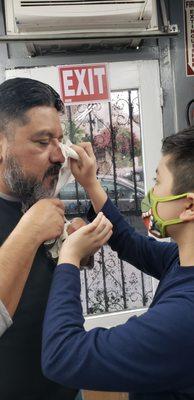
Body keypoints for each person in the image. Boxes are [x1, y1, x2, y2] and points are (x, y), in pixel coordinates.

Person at [42, 128, 194, 400]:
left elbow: (63, 355)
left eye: (158, 182)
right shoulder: (180, 261)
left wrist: (69, 258)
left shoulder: (185, 316)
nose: (150, 194)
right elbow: (128, 242)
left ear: (189, 207)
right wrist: (90, 183)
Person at [0, 77, 79, 399]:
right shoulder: (32, 214)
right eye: (42, 142)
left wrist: (72, 248)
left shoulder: (34, 196)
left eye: (59, 140)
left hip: (65, 387)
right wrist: (30, 232)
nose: (58, 155)